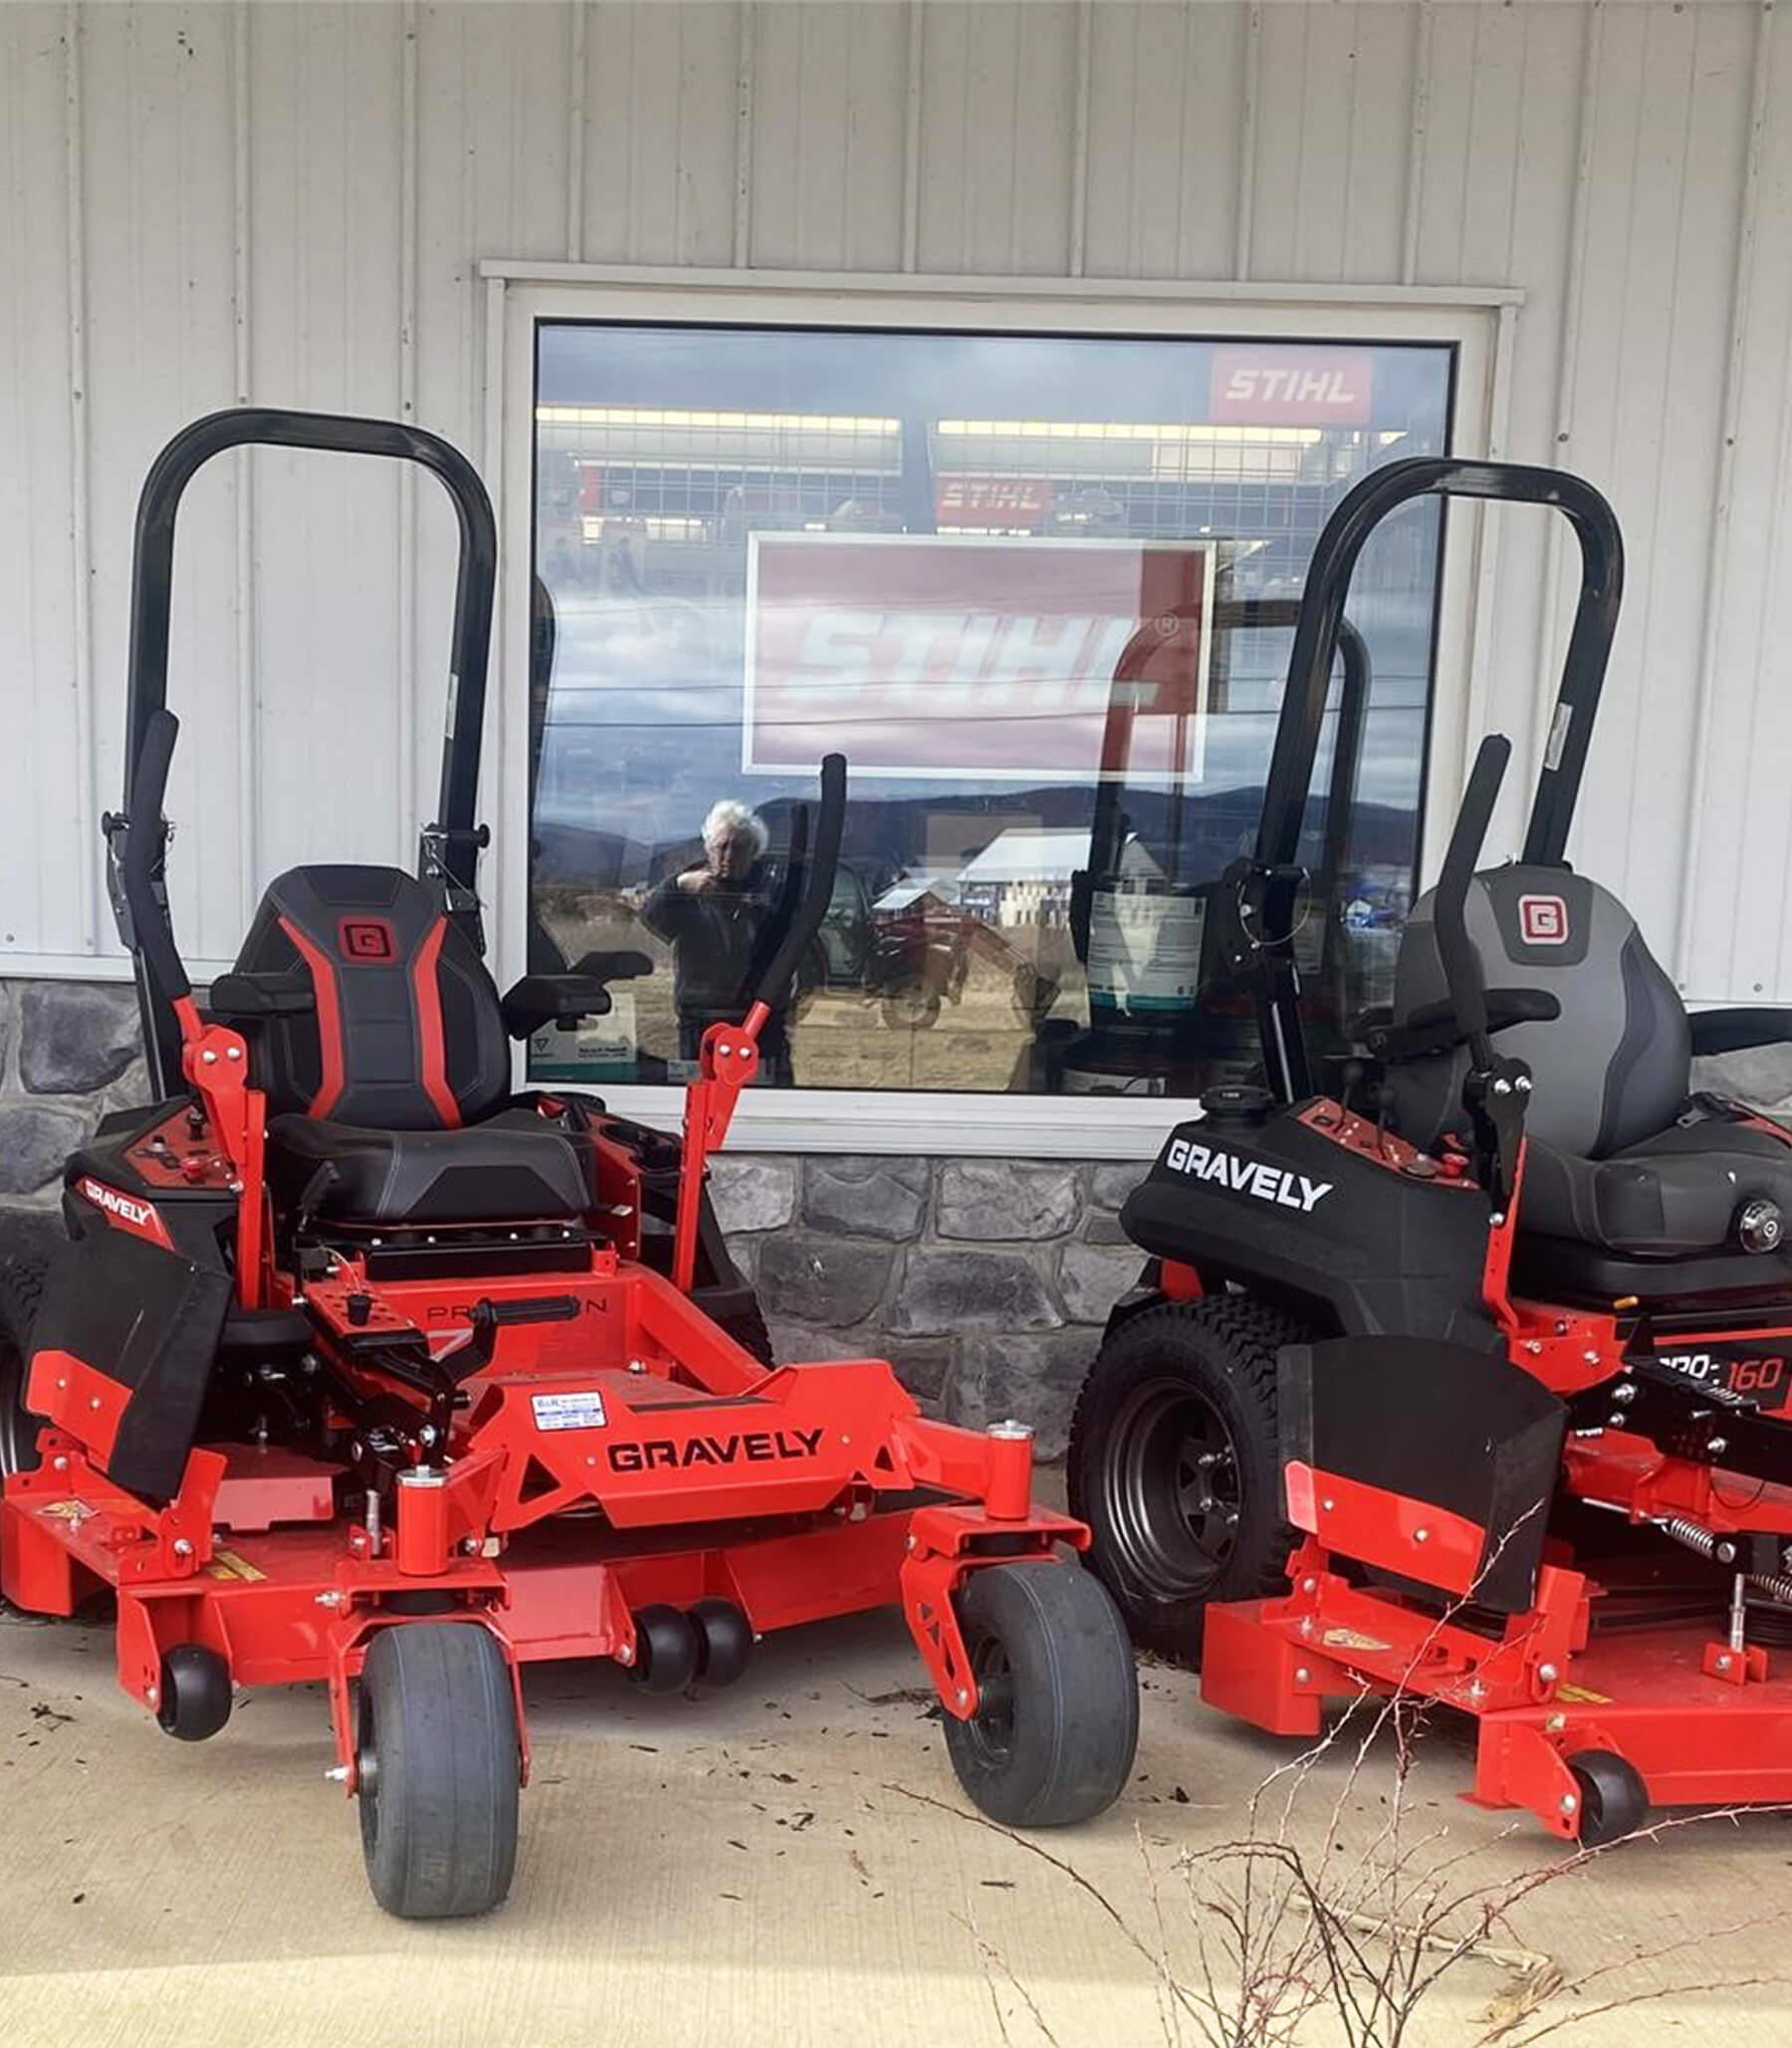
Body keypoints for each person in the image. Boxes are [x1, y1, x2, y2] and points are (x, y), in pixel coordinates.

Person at [639, 798, 798, 1082]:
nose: (728, 855)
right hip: (701, 1018)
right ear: (708, 849)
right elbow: (651, 919)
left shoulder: (770, 891)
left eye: (738, 847)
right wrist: (678, 886)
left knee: (767, 1096)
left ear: (753, 851)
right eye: (721, 846)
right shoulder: (690, 887)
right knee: (703, 1095)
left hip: (760, 1018)